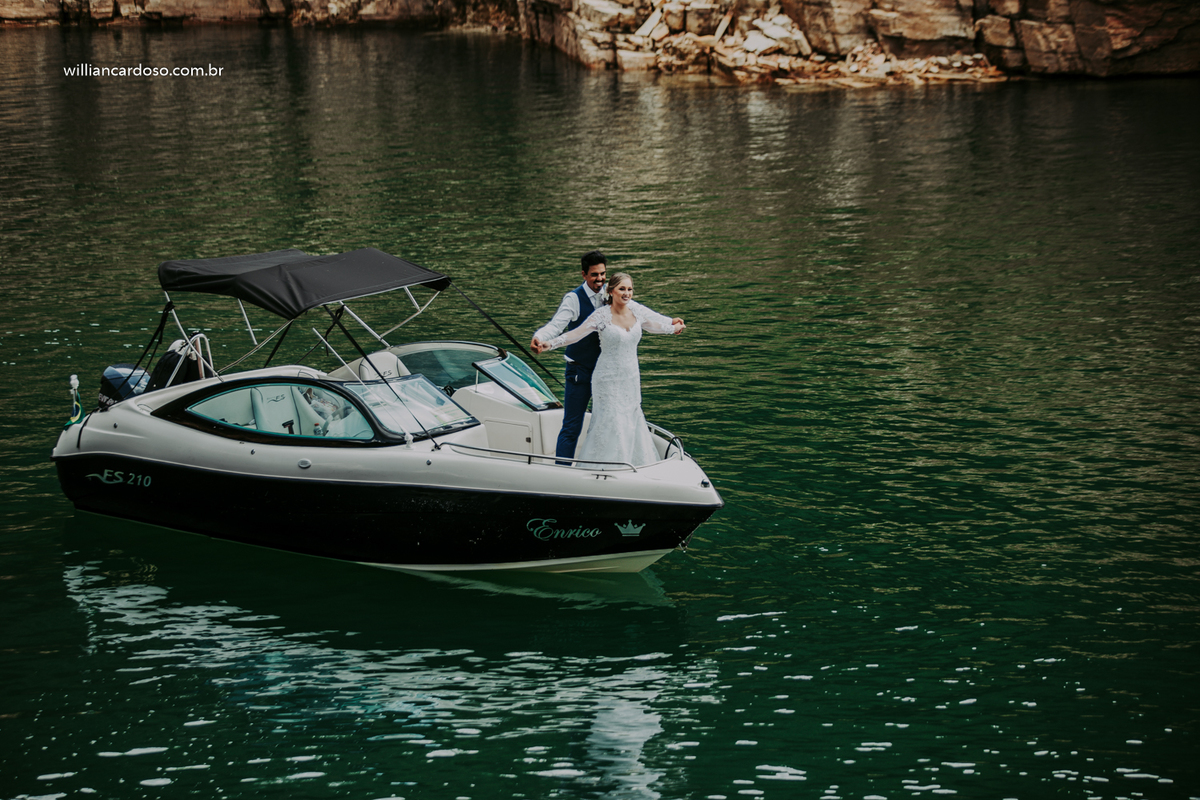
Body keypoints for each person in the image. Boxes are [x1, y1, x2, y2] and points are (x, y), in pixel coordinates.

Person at [535, 272, 685, 468]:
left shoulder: (636, 311)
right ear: (611, 291)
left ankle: (632, 463)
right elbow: (575, 335)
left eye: (630, 289)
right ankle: (606, 467)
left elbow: (654, 325)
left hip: (630, 377)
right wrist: (549, 344)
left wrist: (673, 328)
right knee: (611, 420)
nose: (627, 293)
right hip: (607, 378)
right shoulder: (601, 315)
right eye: (622, 289)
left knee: (630, 417)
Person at [531, 250, 610, 461]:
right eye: (594, 275)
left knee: (606, 423)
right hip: (579, 371)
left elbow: (636, 312)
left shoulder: (611, 294)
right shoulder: (574, 299)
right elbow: (556, 325)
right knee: (572, 425)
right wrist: (539, 337)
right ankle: (562, 469)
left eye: (603, 274)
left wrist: (668, 324)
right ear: (584, 274)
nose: (600, 279)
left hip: (605, 371)